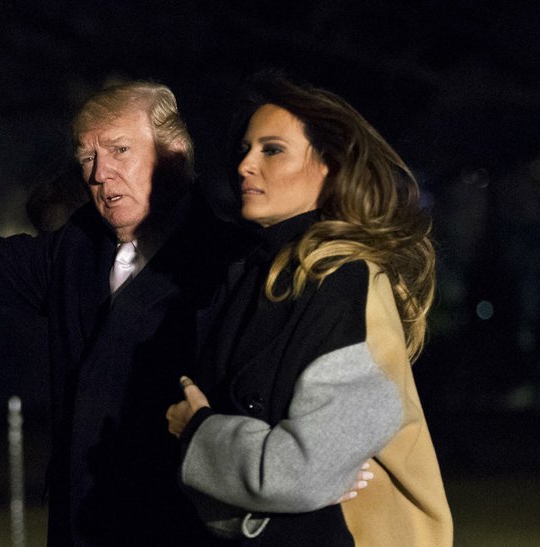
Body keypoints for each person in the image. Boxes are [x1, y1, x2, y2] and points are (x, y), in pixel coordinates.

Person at [0, 36, 242, 545]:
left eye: (120, 150)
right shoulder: (74, 252)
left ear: (175, 153)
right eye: (87, 159)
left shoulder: (234, 261)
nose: (100, 175)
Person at [166, 70, 454, 546]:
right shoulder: (254, 275)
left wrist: (197, 432)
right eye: (245, 149)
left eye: (272, 150)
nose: (245, 166)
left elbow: (299, 472)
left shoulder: (346, 281)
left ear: (330, 168)